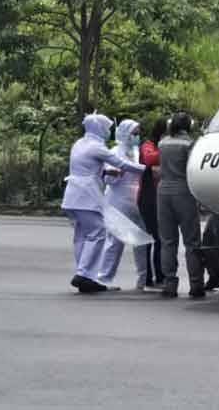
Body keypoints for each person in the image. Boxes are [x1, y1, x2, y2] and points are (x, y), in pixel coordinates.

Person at [62, 113, 145, 294]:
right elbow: (123, 164)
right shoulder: (97, 147)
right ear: (99, 128)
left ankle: (85, 274)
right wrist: (145, 169)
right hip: (86, 195)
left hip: (72, 195)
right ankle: (84, 274)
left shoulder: (80, 144)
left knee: (82, 235)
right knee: (98, 232)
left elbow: (88, 167)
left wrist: (107, 172)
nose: (108, 132)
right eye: (106, 128)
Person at [97, 120, 152, 290]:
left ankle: (143, 280)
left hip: (136, 201)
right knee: (115, 242)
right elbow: (107, 179)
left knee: (141, 241)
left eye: (138, 133)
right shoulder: (114, 152)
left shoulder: (137, 152)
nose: (137, 137)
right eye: (134, 133)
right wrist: (117, 174)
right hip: (118, 201)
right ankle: (103, 279)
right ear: (124, 133)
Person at [157, 112, 205, 299]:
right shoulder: (190, 144)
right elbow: (193, 168)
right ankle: (196, 285)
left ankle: (169, 284)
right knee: (191, 241)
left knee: (168, 241)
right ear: (188, 125)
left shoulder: (162, 142)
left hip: (163, 191)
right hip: (183, 191)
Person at [137, 118, 167, 287]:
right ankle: (148, 275)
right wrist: (167, 149)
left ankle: (160, 275)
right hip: (148, 198)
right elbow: (148, 159)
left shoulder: (159, 145)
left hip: (161, 196)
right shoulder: (148, 145)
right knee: (151, 238)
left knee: (160, 239)